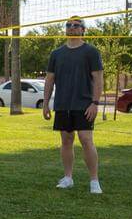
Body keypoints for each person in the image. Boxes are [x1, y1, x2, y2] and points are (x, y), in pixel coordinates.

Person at [42, 16, 104, 194]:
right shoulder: (56, 53)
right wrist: (46, 104)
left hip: (84, 104)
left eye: (76, 25)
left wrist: (95, 103)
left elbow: (98, 79)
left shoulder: (91, 52)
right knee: (66, 140)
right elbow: (50, 79)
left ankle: (94, 181)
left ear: (83, 30)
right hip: (63, 104)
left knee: (86, 140)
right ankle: (68, 177)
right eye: (68, 25)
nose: (71, 27)